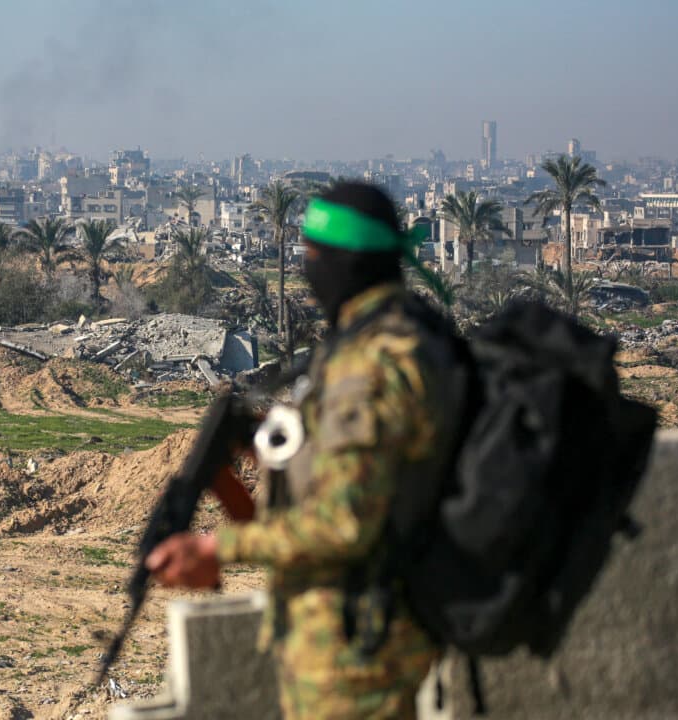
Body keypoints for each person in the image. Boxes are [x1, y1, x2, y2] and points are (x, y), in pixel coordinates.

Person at [146, 182, 464, 720]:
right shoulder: (389, 337)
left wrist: (215, 549)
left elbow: (344, 522)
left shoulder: (371, 366)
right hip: (358, 638)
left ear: (347, 259)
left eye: (313, 254)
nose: (306, 267)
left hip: (355, 652)